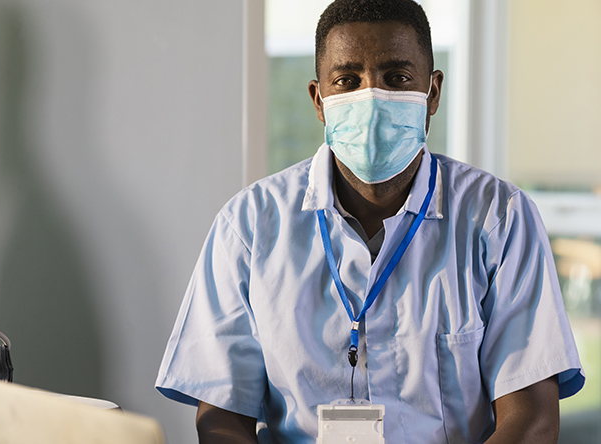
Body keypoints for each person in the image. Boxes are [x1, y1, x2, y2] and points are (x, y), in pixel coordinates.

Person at [155, 0, 585, 443]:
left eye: (397, 78)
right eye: (347, 81)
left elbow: (532, 419)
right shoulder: (248, 226)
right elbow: (223, 419)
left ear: (432, 92)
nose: (372, 98)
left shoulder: (500, 218)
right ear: (319, 100)